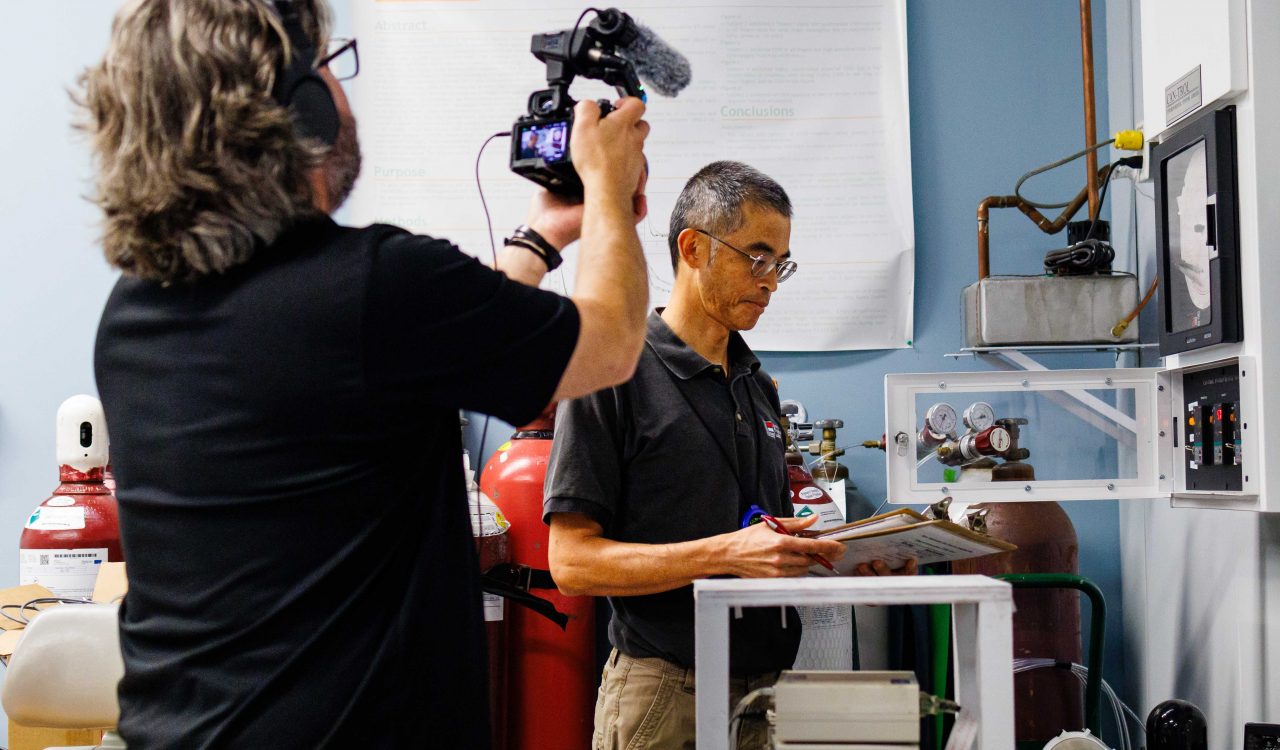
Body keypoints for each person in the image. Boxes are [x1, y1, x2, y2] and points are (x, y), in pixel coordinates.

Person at [84, 1, 649, 747]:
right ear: (304, 111)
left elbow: (425, 342)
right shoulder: (375, 289)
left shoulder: (132, 315)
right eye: (328, 67)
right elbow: (609, 344)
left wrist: (541, 237)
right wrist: (608, 190)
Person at [543, 161, 915, 750]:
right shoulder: (611, 374)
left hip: (764, 696)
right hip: (665, 695)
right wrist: (728, 554)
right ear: (693, 248)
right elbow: (572, 563)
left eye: (781, 265)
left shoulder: (756, 386)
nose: (770, 282)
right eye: (758, 256)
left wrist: (849, 562)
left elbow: (760, 546)